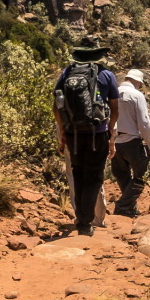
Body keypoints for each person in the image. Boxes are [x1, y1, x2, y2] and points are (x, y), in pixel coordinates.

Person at [53, 36, 119, 236]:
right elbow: (115, 109)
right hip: (97, 133)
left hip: (73, 133)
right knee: (93, 177)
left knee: (78, 173)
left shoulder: (67, 72)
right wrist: (110, 131)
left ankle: (81, 217)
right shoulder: (107, 75)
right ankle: (85, 222)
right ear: (98, 54)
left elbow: (56, 105)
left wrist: (63, 130)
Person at [110, 68, 150, 217]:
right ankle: (123, 206)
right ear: (137, 81)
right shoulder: (137, 95)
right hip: (132, 141)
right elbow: (144, 123)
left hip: (115, 141)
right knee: (141, 175)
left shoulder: (112, 93)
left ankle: (128, 208)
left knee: (122, 174)